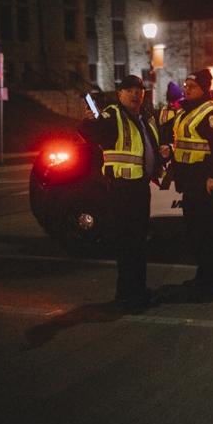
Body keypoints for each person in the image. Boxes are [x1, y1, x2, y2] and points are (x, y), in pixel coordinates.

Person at [79, 75, 162, 309]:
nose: (135, 94)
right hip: (121, 189)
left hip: (139, 187)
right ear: (119, 94)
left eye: (139, 90)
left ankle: (138, 289)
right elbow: (94, 133)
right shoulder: (113, 115)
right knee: (127, 243)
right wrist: (88, 121)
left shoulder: (144, 117)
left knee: (138, 241)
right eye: (129, 90)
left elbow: (149, 147)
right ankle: (127, 294)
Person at [160, 69, 213, 299]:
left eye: (192, 86)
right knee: (197, 233)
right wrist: (170, 150)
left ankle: (212, 280)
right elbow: (187, 143)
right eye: (186, 84)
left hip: (204, 184)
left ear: (204, 88)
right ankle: (207, 276)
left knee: (208, 233)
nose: (186, 88)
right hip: (191, 182)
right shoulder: (187, 111)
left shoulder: (211, 114)